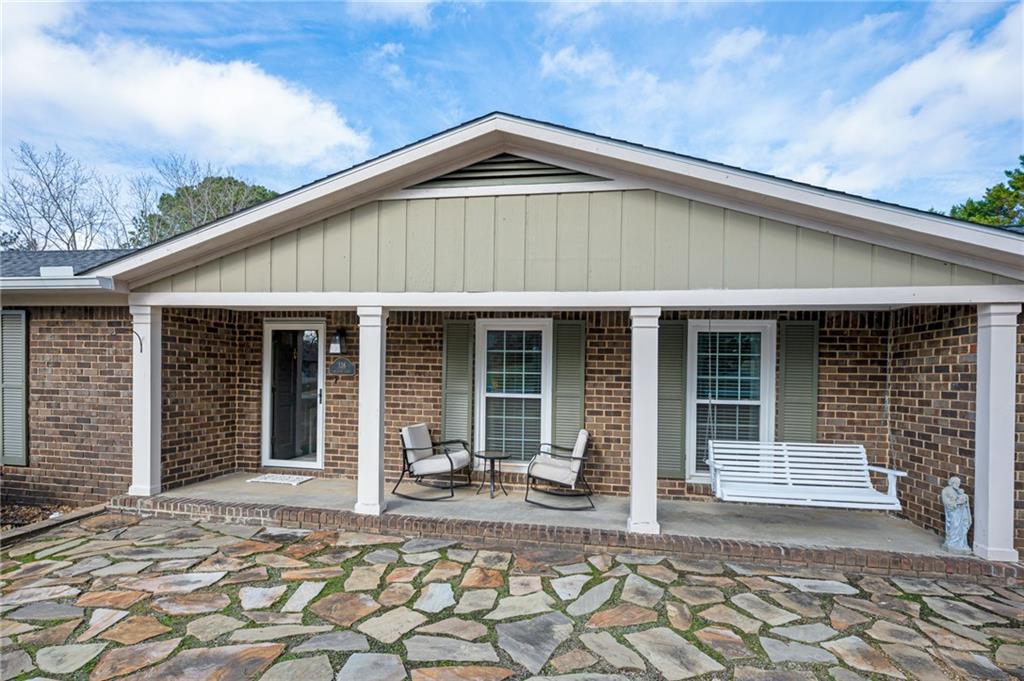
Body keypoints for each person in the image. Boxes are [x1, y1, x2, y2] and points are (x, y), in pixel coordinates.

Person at [941, 476, 972, 554]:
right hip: (953, 512)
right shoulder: (946, 490)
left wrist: (964, 498)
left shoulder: (958, 491)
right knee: (954, 525)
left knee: (961, 526)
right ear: (952, 483)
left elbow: (963, 499)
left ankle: (960, 543)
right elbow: (947, 502)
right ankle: (952, 542)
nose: (958, 485)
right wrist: (957, 502)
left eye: (959, 483)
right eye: (957, 483)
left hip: (961, 512)